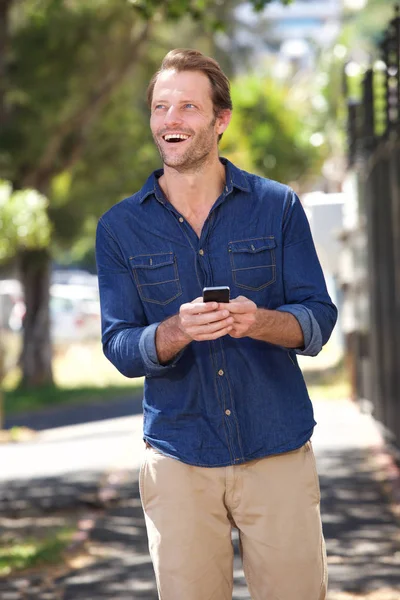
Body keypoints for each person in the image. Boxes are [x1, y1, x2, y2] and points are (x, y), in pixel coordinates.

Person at [96, 48, 337, 600]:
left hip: (276, 448)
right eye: (161, 107)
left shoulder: (277, 207)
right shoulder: (119, 228)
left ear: (220, 120)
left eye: (187, 106)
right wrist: (174, 332)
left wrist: (261, 322)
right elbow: (118, 344)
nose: (170, 120)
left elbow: (318, 319)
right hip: (179, 460)